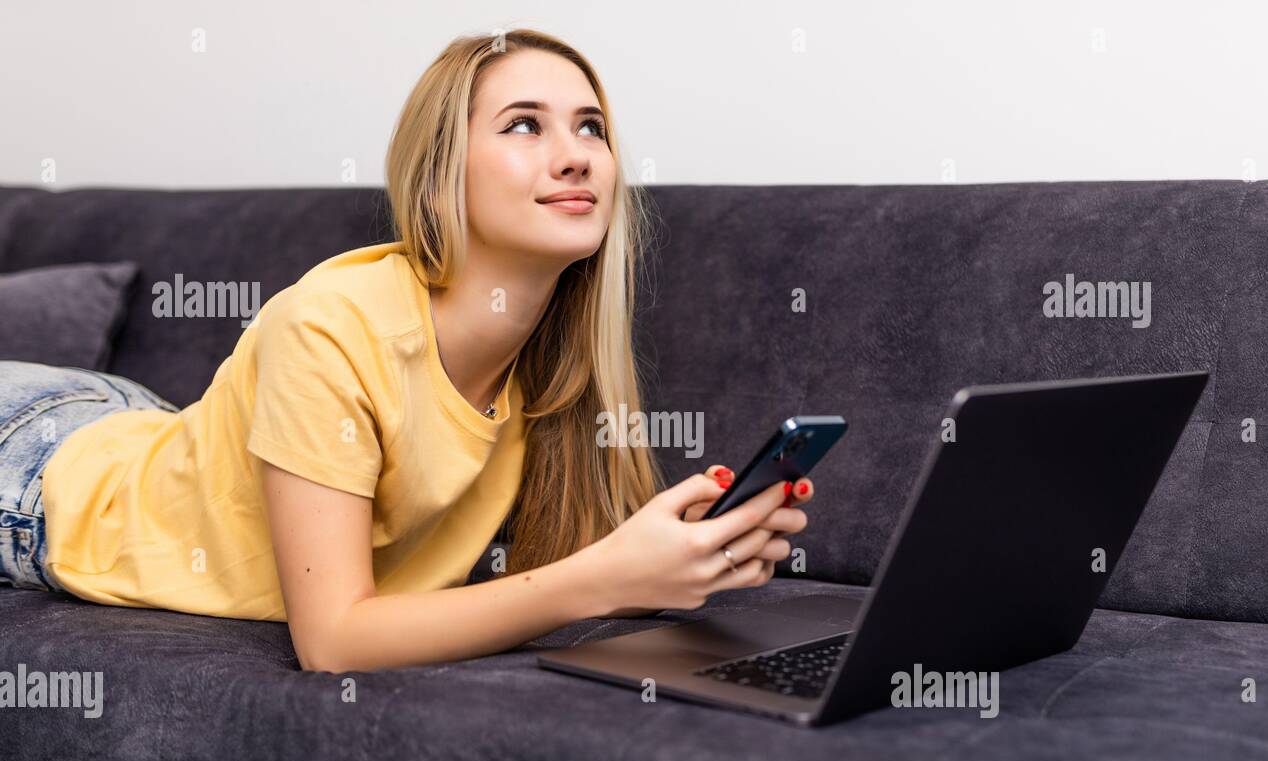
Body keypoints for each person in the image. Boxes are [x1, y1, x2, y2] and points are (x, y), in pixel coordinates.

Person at [0, 29, 815, 672]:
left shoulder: (553, 362)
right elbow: (335, 643)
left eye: (591, 127)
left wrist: (686, 553)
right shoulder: (328, 327)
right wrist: (599, 578)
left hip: (136, 421)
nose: (576, 155)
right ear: (436, 182)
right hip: (36, 475)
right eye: (524, 124)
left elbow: (547, 570)